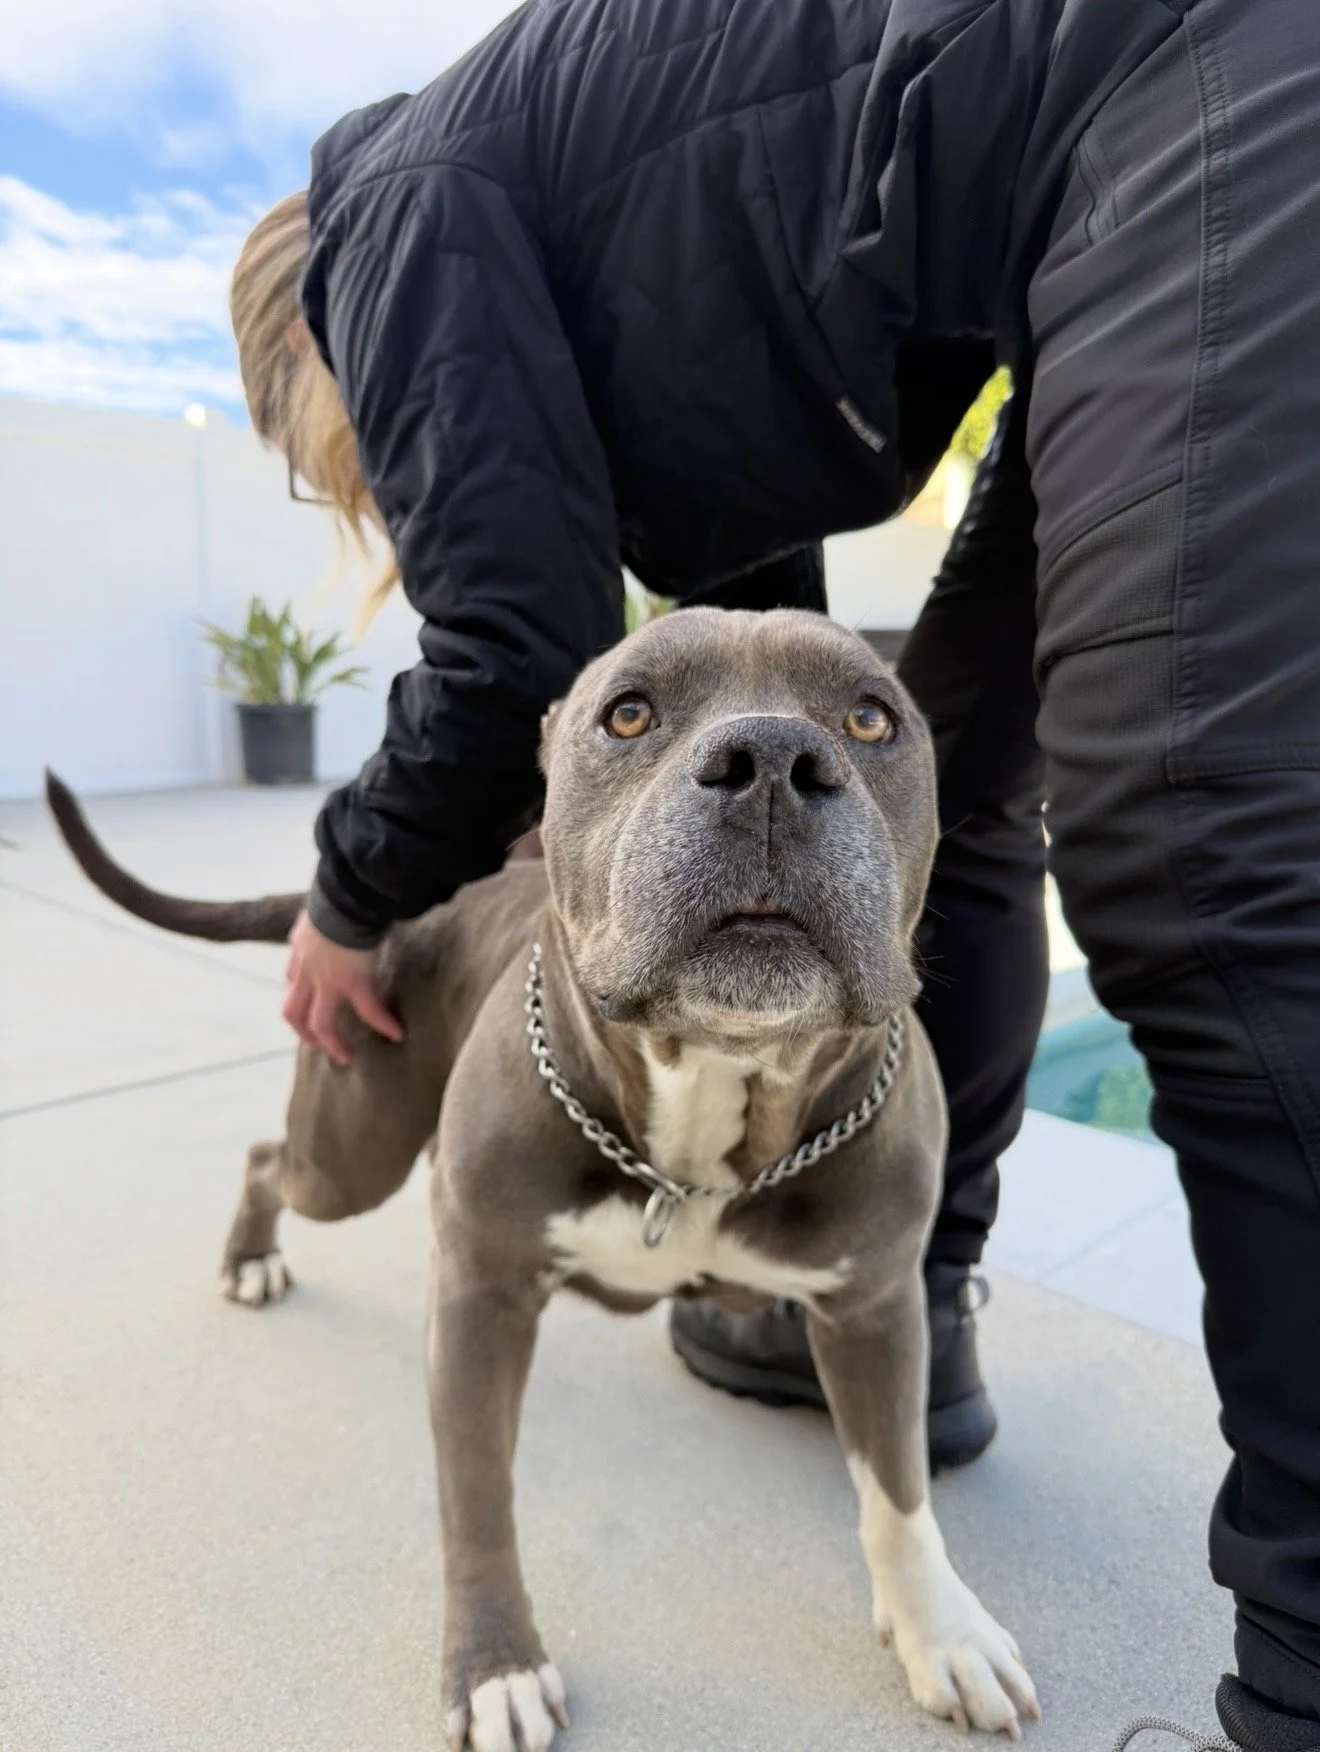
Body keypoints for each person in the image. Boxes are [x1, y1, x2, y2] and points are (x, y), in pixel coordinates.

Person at [229, 2, 1320, 1745]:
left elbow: (511, 641)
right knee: (978, 782)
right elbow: (724, 670)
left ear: (306, 350)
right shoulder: (654, 294)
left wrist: (349, 896)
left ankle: (1297, 1681)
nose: (371, 483)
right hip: (1086, 214)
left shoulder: (396, 220)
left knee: (1204, 857)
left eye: (335, 457)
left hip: (1190, 88)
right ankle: (901, 1293)